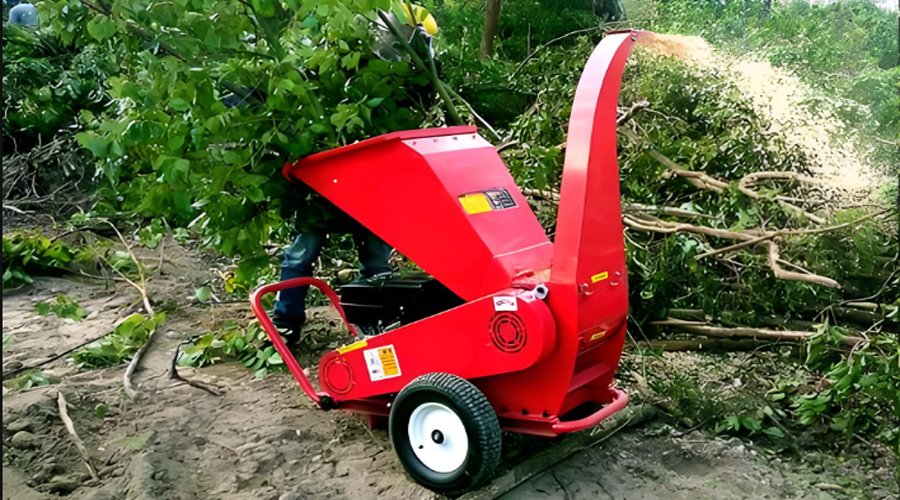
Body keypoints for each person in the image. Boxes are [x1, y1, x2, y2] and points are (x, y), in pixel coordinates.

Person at [271, 2, 439, 338]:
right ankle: (286, 323)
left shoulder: (408, 79)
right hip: (326, 180)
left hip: (375, 182)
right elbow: (306, 98)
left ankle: (379, 324)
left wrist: (424, 55)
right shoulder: (343, 60)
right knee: (301, 256)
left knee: (376, 263)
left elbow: (426, 90)